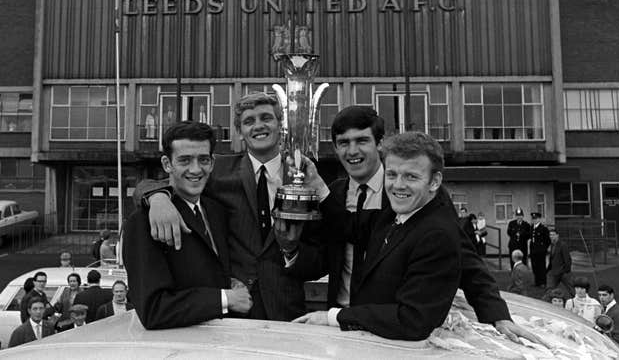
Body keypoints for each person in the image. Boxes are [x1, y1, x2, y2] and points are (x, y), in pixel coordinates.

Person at [140, 105, 543, 344]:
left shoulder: (409, 194)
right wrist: (154, 195)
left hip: (391, 325)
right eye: (344, 144)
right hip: (331, 318)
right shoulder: (327, 191)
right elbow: (180, 176)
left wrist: (495, 312)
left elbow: (465, 259)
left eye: (362, 141)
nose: (353, 151)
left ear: (379, 145)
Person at [134, 93, 323, 322]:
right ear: (239, 131)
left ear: (279, 124)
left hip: (286, 312)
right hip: (231, 313)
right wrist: (156, 199)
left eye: (266, 118)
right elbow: (173, 179)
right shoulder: (217, 170)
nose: (258, 126)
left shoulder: (302, 177)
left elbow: (322, 256)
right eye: (249, 121)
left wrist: (291, 252)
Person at [292, 132, 462, 340]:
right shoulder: (394, 211)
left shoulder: (437, 236)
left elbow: (412, 320)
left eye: (411, 176)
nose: (398, 185)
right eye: (391, 175)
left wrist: (335, 317)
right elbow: (352, 229)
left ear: (434, 182)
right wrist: (317, 186)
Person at [124, 121, 252, 329]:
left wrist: (230, 282)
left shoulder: (216, 210)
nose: (195, 169)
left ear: (212, 163)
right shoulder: (143, 221)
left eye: (203, 160)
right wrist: (225, 298)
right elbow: (153, 310)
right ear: (167, 164)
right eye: (184, 160)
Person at [598, 284, 619, 352]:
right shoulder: (606, 309)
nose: (601, 298)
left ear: (612, 295)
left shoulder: (617, 313)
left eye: (604, 295)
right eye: (599, 295)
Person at [546, 228, 573, 296]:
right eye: (550, 235)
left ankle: (579, 301)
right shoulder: (552, 245)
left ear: (557, 235)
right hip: (554, 272)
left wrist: (566, 270)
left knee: (571, 289)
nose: (551, 236)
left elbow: (567, 259)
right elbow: (552, 258)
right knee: (550, 289)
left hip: (563, 273)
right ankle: (546, 302)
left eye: (553, 235)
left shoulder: (563, 245)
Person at [529, 212, 550, 287]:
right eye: (533, 219)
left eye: (536, 218)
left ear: (539, 219)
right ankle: (537, 282)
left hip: (541, 251)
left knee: (541, 266)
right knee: (534, 266)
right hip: (533, 250)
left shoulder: (543, 228)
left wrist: (544, 248)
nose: (534, 220)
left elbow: (547, 240)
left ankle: (543, 282)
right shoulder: (531, 227)